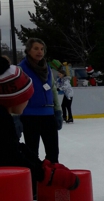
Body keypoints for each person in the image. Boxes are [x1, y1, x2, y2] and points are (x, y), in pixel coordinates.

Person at [0, 56, 79, 192]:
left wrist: (43, 165)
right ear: (15, 97)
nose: (29, 101)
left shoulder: (4, 116)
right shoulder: (2, 120)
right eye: (27, 97)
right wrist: (47, 175)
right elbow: (10, 157)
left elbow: (13, 148)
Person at [19, 38, 62, 199]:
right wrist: (16, 117)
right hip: (30, 116)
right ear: (28, 50)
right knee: (32, 154)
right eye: (36, 48)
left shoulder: (48, 68)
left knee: (53, 152)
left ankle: (52, 182)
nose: (39, 52)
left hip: (48, 115)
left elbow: (53, 90)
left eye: (42, 49)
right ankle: (34, 188)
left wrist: (57, 111)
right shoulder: (21, 69)